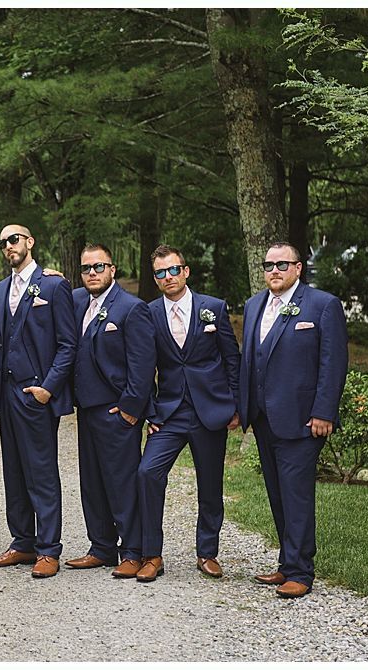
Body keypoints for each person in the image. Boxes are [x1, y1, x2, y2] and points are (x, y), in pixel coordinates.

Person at [239, 242, 347, 598]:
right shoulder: (255, 305)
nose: (274, 271)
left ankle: (301, 571)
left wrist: (323, 411)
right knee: (278, 494)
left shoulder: (322, 305)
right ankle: (287, 563)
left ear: (298, 268)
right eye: (269, 265)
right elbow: (249, 361)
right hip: (263, 418)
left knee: (297, 496)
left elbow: (333, 363)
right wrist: (243, 409)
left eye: (282, 265)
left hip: (302, 419)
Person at [136, 244, 240, 583]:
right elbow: (141, 366)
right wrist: (151, 410)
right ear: (155, 279)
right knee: (148, 473)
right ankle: (152, 554)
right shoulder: (148, 312)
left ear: (186, 271)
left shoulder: (213, 308)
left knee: (210, 485)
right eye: (160, 273)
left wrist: (235, 406)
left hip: (210, 411)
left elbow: (232, 359)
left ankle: (207, 553)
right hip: (168, 413)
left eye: (173, 270)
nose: (168, 277)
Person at [0, 225, 77, 578]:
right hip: (6, 396)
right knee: (14, 472)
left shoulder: (53, 285)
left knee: (41, 473)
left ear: (30, 242)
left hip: (36, 394)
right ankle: (23, 542)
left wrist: (48, 388)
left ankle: (49, 548)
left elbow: (68, 344)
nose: (8, 246)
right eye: (3, 241)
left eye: (14, 239)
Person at [64, 244, 155, 579]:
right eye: (86, 268)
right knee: (92, 482)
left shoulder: (132, 309)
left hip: (118, 411)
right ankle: (101, 547)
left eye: (98, 267)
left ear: (112, 270)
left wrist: (131, 409)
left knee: (122, 483)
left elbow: (143, 365)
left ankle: (132, 550)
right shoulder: (75, 302)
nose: (92, 273)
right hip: (86, 410)